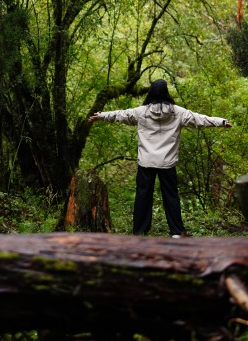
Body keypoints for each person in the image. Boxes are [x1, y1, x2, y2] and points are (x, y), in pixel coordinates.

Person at [88, 79, 233, 237]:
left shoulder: (141, 111)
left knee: (143, 197)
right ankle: (176, 231)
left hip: (146, 162)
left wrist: (101, 116)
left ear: (150, 92)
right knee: (171, 197)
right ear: (166, 93)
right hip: (167, 163)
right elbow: (200, 119)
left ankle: (140, 230)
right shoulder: (177, 112)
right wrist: (221, 121)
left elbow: (121, 115)